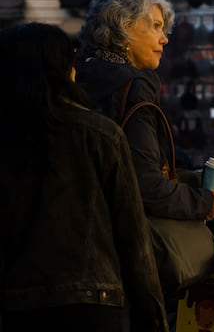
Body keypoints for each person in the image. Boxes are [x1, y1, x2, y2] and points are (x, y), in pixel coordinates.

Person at [74, 0, 214, 327]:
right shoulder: (133, 85)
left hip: (73, 256)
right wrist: (204, 201)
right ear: (125, 27)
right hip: (122, 264)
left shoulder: (76, 75)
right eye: (156, 27)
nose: (165, 38)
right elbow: (143, 184)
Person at [0, 22, 169, 332]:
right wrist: (153, 320)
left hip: (17, 308)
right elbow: (134, 242)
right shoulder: (101, 135)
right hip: (95, 305)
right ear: (64, 71)